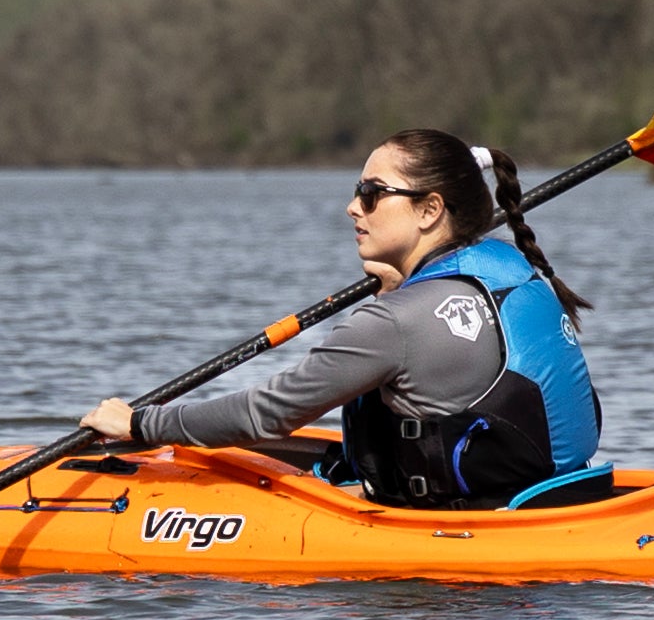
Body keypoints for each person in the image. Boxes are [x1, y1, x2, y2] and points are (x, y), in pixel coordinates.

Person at [76, 127, 607, 507]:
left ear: (429, 211)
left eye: (372, 194)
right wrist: (400, 289)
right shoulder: (515, 267)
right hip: (560, 492)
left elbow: (267, 414)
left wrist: (142, 423)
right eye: (358, 192)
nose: (354, 207)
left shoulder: (393, 324)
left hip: (471, 543)